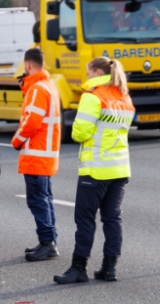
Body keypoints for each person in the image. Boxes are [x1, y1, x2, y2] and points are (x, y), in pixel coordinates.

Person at [54, 57, 134, 284]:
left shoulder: (93, 96)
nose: (87, 78)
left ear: (97, 71)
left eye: (88, 73)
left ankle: (79, 268)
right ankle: (109, 269)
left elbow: (79, 133)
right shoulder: (124, 95)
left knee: (85, 220)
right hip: (119, 167)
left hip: (96, 168)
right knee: (112, 219)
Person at [12, 48, 61, 262]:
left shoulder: (37, 89)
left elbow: (31, 122)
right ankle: (48, 241)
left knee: (38, 200)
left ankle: (48, 243)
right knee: (45, 198)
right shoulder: (49, 86)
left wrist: (16, 141)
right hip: (46, 154)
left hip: (37, 155)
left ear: (28, 65)